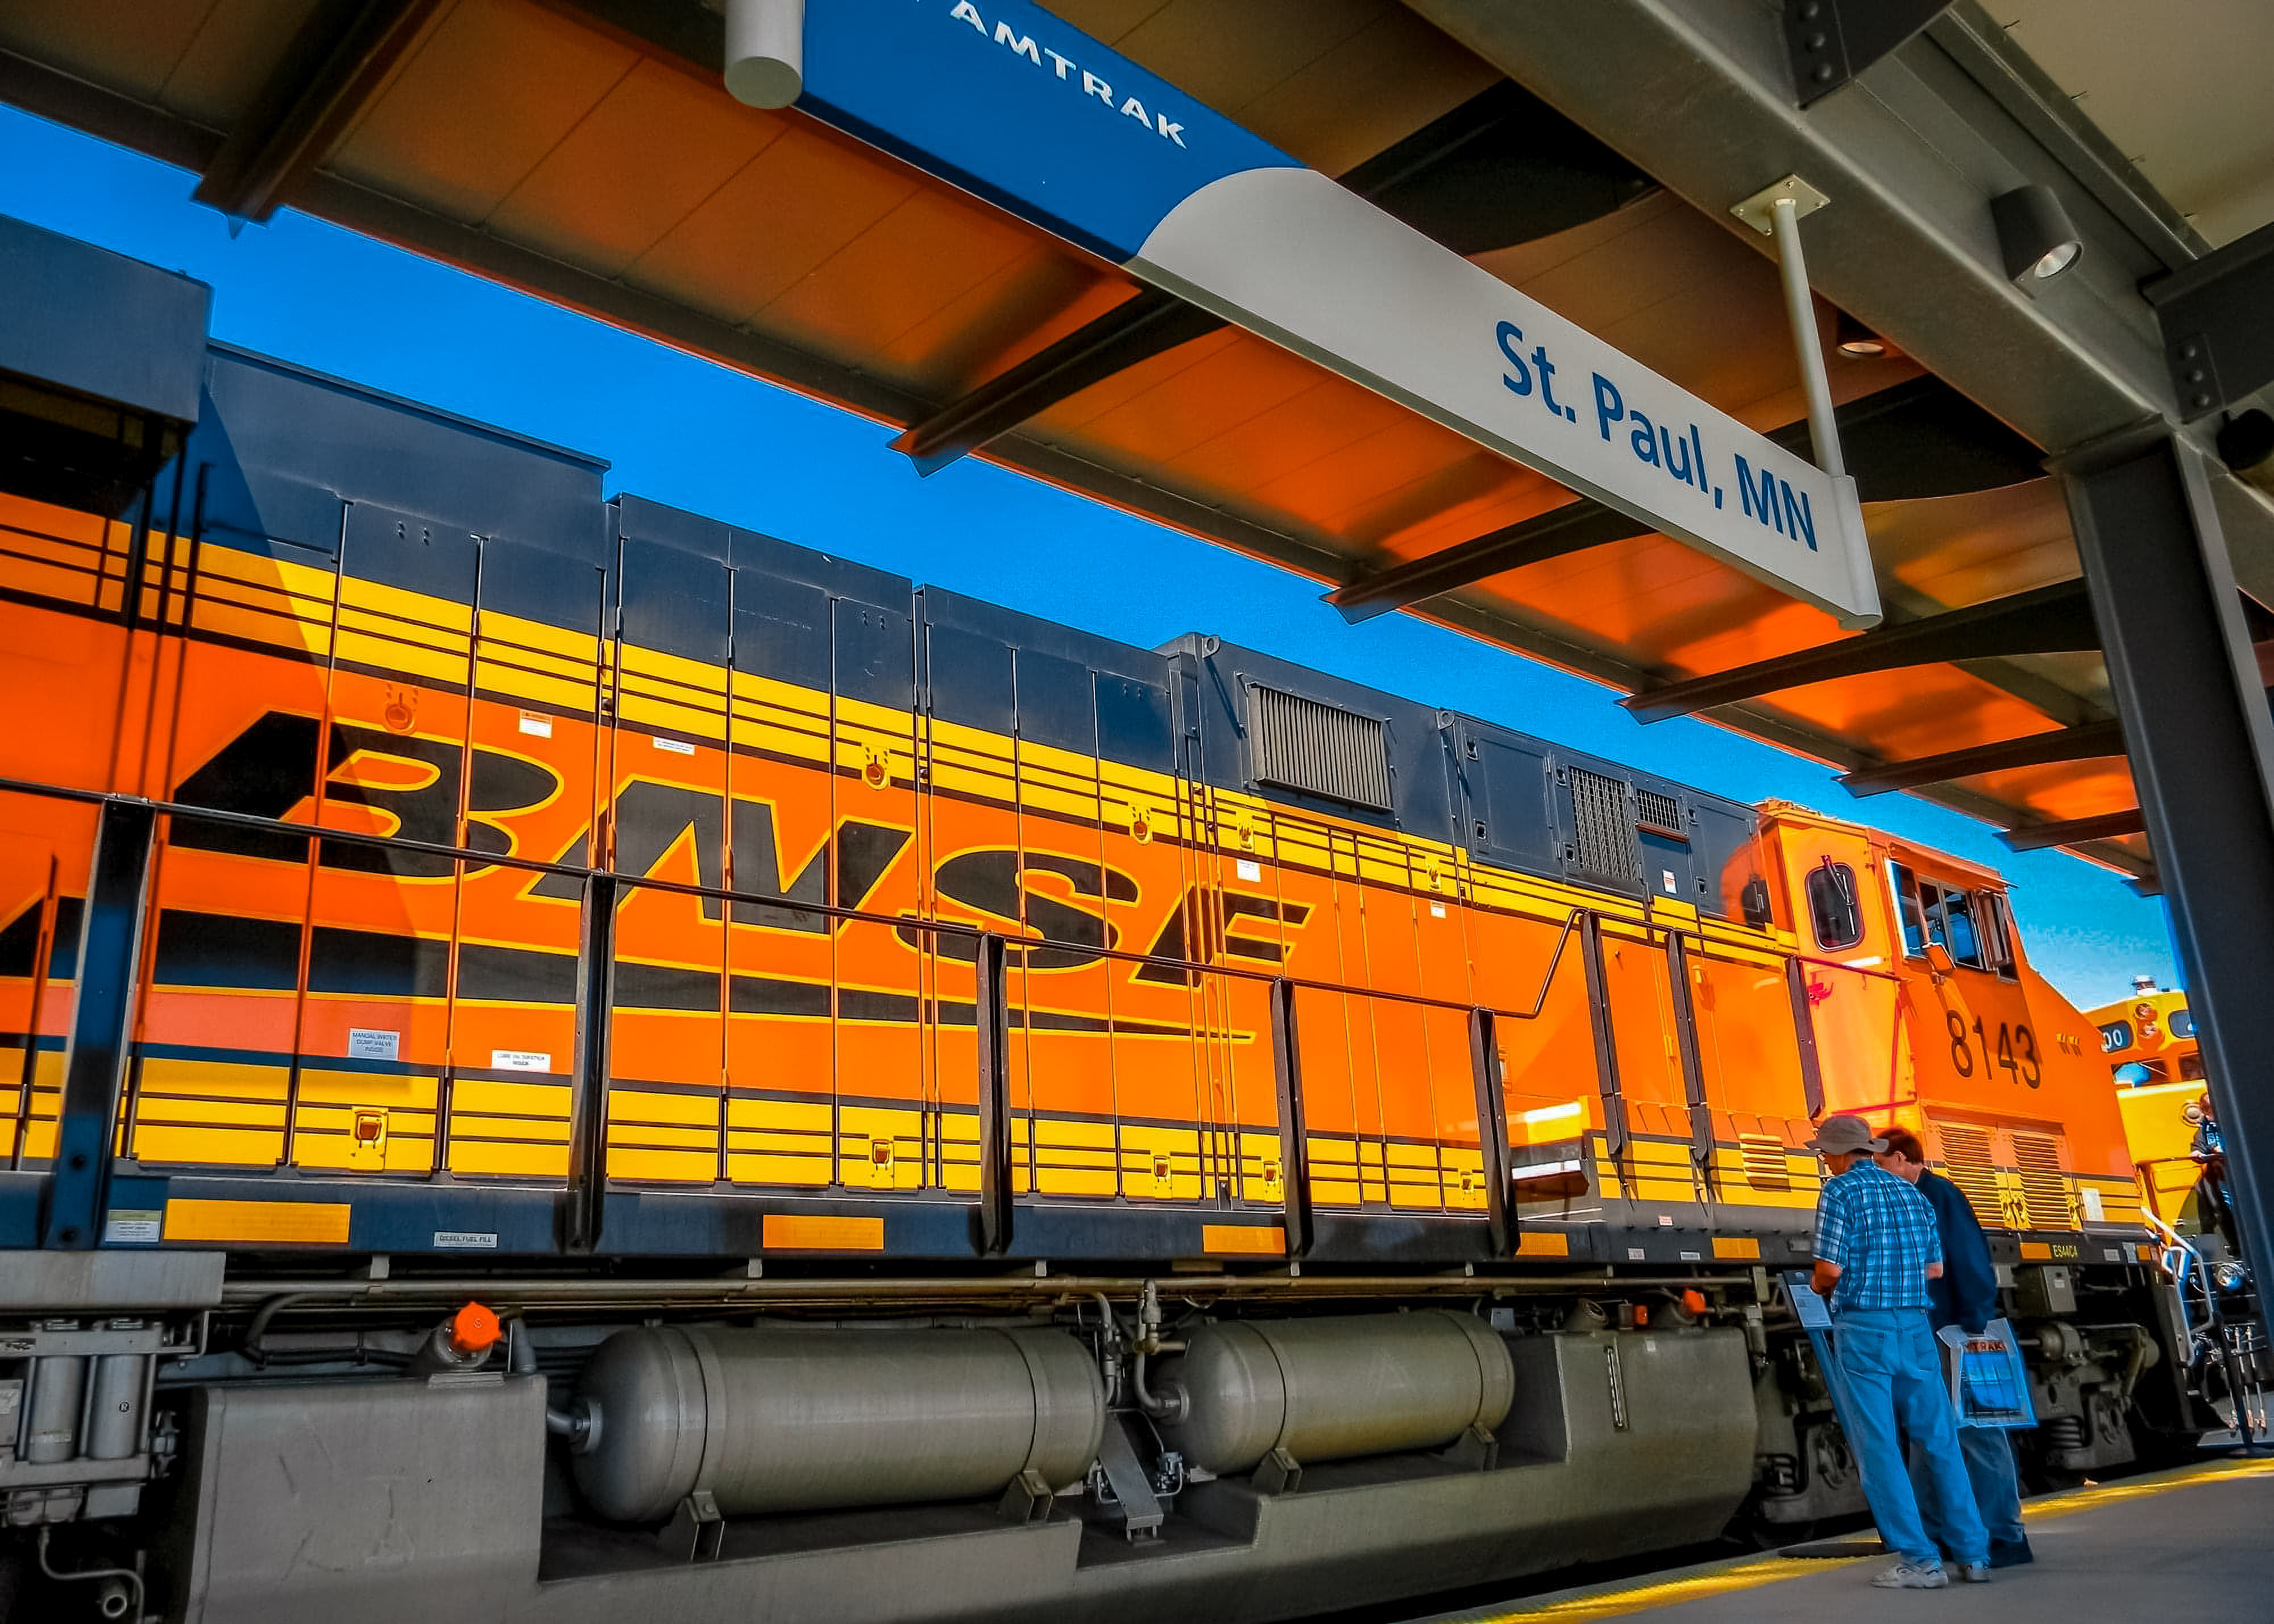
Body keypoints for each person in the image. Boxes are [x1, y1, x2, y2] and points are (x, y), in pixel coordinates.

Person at [1808, 1114, 1991, 1589]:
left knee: (1880, 1445)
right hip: (1915, 1326)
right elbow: (1934, 1270)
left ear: (1839, 1153)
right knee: (1940, 1439)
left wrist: (1819, 1284)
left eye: (1826, 1153)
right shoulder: (1912, 1192)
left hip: (1865, 1329)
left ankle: (1920, 1561)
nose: (1825, 1161)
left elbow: (1829, 1268)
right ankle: (1974, 1555)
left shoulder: (1840, 1191)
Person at [1876, 1129, 2032, 1568]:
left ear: (1905, 1159)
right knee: (1930, 1436)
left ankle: (2004, 1534)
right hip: (1929, 1332)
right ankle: (1940, 1535)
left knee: (1978, 1432)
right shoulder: (1918, 1198)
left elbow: (1967, 1258)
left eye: (1884, 1165)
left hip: (1953, 1333)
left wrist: (1976, 1323)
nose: (1880, 1175)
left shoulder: (1939, 1196)